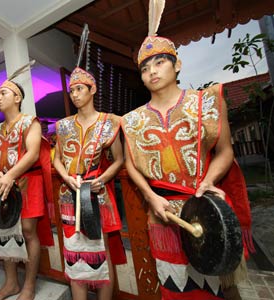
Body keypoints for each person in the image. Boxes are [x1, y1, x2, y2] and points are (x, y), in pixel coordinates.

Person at [121, 1, 252, 298]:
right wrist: (150, 196)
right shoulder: (132, 120)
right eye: (144, 67)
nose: (152, 71)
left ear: (177, 64)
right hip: (163, 213)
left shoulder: (206, 101)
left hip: (207, 207)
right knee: (177, 288)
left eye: (159, 62)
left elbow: (225, 151)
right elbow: (130, 165)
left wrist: (208, 181)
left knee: (223, 288)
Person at [52, 67, 126, 300]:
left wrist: (104, 178)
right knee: (74, 253)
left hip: (97, 193)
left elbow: (120, 159)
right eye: (71, 90)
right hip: (69, 194)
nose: (74, 94)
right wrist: (66, 177)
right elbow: (57, 159)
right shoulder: (62, 126)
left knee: (101, 253)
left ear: (92, 90)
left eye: (79, 89)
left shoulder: (109, 123)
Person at [0, 79, 54, 300]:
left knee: (28, 231)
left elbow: (33, 153)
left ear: (17, 98)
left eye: (3, 93)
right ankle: (11, 283)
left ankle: (29, 284)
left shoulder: (30, 122)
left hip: (28, 182)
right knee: (5, 228)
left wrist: (9, 176)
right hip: (3, 183)